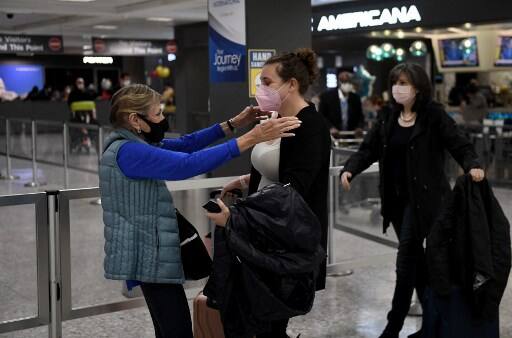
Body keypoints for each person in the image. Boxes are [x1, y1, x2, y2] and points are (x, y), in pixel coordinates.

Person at [99, 84, 301, 338]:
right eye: (158, 114)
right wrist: (252, 137)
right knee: (177, 329)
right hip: (148, 252)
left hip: (148, 250)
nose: (163, 119)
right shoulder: (129, 151)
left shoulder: (131, 143)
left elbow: (186, 144)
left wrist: (233, 123)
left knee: (167, 328)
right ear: (135, 120)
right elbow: (187, 164)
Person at [339, 63, 485, 338]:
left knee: (406, 256)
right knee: (418, 262)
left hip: (427, 201)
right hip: (395, 201)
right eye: (395, 82)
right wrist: (350, 168)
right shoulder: (387, 116)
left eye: (403, 82)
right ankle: (431, 324)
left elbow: (459, 143)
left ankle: (393, 325)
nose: (397, 88)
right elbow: (368, 148)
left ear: (417, 87)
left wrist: (472, 164)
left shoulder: (433, 116)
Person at [207, 48, 331, 338]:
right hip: (261, 232)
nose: (260, 89)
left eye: (267, 82)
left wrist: (238, 217)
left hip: (283, 239)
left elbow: (294, 189)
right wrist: (245, 180)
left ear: (292, 84)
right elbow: (276, 169)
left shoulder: (310, 126)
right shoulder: (272, 122)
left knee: (268, 321)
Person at [318, 69, 364, 136]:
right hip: (332, 136)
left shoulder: (356, 98)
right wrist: (330, 127)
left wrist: (359, 127)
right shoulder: (327, 97)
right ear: (339, 82)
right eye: (345, 82)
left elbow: (360, 116)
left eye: (350, 82)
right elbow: (321, 116)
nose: (348, 85)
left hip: (350, 135)